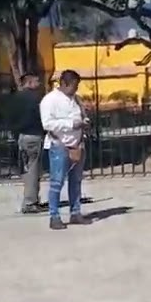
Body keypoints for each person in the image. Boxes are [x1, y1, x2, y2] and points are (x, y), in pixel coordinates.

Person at [40, 70, 92, 231]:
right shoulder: (50, 100)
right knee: (57, 182)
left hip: (77, 144)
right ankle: (54, 215)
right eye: (74, 86)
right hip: (59, 145)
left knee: (76, 181)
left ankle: (75, 212)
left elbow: (82, 116)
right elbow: (47, 124)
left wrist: (85, 122)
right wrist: (71, 124)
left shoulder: (76, 99)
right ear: (64, 84)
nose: (76, 89)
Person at [12, 74, 46, 214]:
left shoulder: (16, 98)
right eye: (37, 81)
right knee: (34, 169)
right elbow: (41, 116)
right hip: (34, 134)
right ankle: (30, 202)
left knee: (28, 168)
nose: (39, 83)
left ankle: (31, 198)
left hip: (22, 136)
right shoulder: (35, 99)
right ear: (30, 82)